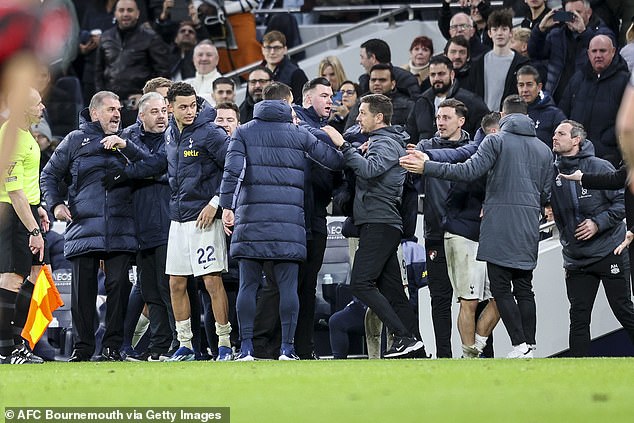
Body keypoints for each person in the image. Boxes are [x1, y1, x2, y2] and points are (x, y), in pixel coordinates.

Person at [404, 95, 553, 358]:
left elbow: (467, 170)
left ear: (503, 115)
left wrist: (428, 166)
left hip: (496, 226)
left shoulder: (496, 141)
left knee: (499, 287)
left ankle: (515, 344)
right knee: (524, 288)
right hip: (528, 225)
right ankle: (528, 346)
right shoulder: (543, 149)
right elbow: (545, 194)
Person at [219, 82, 344, 361]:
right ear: (289, 102)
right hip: (289, 223)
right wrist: (339, 142)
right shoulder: (300, 134)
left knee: (248, 286)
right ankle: (287, 349)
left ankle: (247, 349)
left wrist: (227, 207)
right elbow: (334, 162)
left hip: (251, 221)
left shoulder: (243, 131)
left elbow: (231, 174)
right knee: (289, 287)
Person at [322, 94, 427, 359]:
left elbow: (369, 170)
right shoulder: (384, 142)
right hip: (380, 221)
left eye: (363, 113)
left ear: (378, 117)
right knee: (392, 290)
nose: (358, 118)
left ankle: (403, 336)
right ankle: (416, 345)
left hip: (380, 222)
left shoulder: (386, 142)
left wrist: (343, 145)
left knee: (360, 283)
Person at [41, 91, 138, 362]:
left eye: (118, 109)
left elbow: (149, 165)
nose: (117, 114)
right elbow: (49, 174)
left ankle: (112, 347)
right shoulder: (74, 140)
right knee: (83, 292)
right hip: (83, 226)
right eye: (110, 109)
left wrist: (126, 147)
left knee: (120, 287)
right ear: (95, 113)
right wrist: (56, 205)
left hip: (121, 227)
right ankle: (82, 348)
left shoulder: (128, 140)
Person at [159, 82, 233, 362]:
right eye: (183, 106)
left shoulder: (211, 133)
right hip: (177, 219)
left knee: (212, 281)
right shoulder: (169, 134)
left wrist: (216, 202)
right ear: (170, 107)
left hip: (204, 219)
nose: (190, 111)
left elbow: (234, 165)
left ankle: (225, 345)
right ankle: (185, 345)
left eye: (193, 105)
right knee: (176, 283)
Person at [550, 120, 634, 357]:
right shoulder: (551, 171)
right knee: (578, 315)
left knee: (623, 309)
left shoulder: (599, 167)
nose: (554, 137)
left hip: (610, 251)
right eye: (554, 133)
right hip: (576, 258)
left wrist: (598, 223)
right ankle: (578, 372)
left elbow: (621, 204)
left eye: (561, 133)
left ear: (576, 140)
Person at [100, 92, 174, 362]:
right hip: (140, 229)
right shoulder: (131, 137)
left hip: (167, 224)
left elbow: (159, 163)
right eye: (154, 111)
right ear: (141, 116)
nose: (162, 116)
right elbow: (150, 167)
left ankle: (180, 345)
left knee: (169, 289)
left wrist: (126, 172)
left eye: (164, 110)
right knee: (152, 291)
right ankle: (158, 347)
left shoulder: (172, 137)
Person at [408, 98, 475, 358]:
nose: (440, 122)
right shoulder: (426, 146)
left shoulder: (474, 148)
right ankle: (445, 355)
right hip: (436, 233)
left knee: (471, 298)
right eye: (438, 117)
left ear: (461, 120)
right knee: (440, 298)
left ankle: (477, 352)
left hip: (467, 234)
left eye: (447, 117)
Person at [0, 87, 47, 364]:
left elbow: (25, 186)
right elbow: (14, 190)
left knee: (34, 274)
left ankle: (18, 344)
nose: (42, 107)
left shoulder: (25, 134)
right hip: (11, 212)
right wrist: (33, 230)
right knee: (11, 280)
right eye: (37, 103)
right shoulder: (10, 137)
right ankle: (6, 349)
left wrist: (37, 206)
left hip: (25, 209)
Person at [95, 0, 171, 125]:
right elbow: (98, 72)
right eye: (121, 10)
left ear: (137, 14)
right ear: (115, 14)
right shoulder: (106, 37)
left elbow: (163, 75)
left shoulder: (151, 38)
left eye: (130, 10)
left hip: (140, 108)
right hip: (111, 108)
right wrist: (102, 100)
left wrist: (145, 96)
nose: (125, 14)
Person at [559, 34, 630, 167]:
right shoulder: (577, 79)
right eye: (594, 51)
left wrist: (608, 140)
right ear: (588, 53)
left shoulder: (625, 81)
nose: (598, 55)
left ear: (613, 52)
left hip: (608, 157)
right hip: (576, 155)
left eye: (603, 51)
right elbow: (563, 112)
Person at [528, 0, 614, 103]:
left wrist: (584, 32)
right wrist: (540, 29)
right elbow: (535, 54)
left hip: (586, 99)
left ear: (589, 13)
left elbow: (606, 57)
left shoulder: (602, 33)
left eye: (578, 12)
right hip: (555, 99)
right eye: (570, 14)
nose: (574, 17)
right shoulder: (557, 34)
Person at [406, 55, 489, 142]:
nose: (437, 78)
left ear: (452, 74)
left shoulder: (471, 101)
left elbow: (484, 134)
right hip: (423, 153)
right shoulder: (421, 101)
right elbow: (410, 134)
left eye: (441, 74)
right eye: (433, 75)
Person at [466, 9, 530, 112]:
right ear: (489, 33)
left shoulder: (522, 64)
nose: (499, 33)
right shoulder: (478, 63)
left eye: (504, 29)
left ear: (511, 33)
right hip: (483, 120)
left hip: (510, 119)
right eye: (495, 29)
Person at [346, 64, 414, 130]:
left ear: (393, 84)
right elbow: (348, 131)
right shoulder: (360, 103)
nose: (377, 83)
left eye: (382, 80)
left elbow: (411, 134)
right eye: (373, 80)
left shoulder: (407, 105)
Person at [516, 65, 566, 148]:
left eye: (529, 85)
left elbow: (564, 144)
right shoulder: (511, 113)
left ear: (539, 87)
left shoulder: (554, 115)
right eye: (521, 85)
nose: (525, 90)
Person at [260, 30, 308, 106]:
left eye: (277, 48)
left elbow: (304, 103)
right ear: (262, 49)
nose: (272, 52)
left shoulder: (296, 73)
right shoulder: (256, 73)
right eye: (268, 48)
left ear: (285, 49)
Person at [184, 40, 222, 106]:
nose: (204, 58)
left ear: (217, 59)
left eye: (209, 55)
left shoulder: (225, 85)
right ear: (193, 59)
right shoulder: (185, 84)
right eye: (200, 55)